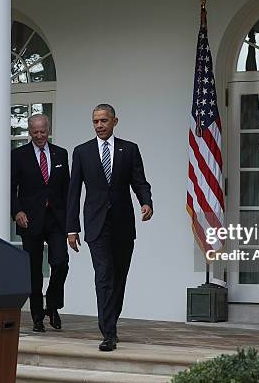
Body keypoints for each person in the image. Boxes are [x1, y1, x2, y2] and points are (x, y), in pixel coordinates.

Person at [67, 103, 153, 351]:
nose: (99, 126)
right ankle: (108, 333)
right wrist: (71, 228)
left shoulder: (129, 149)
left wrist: (146, 203)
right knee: (103, 276)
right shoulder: (82, 152)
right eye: (95, 121)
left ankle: (110, 321)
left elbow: (140, 181)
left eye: (104, 121)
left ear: (115, 121)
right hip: (96, 225)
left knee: (118, 278)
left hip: (123, 225)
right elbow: (73, 193)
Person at [11, 114, 70, 332]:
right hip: (30, 220)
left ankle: (52, 306)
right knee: (33, 270)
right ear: (29, 131)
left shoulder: (61, 154)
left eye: (42, 131)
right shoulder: (18, 155)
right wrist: (16, 211)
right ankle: (37, 316)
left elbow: (67, 190)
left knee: (61, 262)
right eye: (34, 132)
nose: (39, 136)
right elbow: (11, 187)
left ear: (48, 129)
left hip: (56, 219)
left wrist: (71, 221)